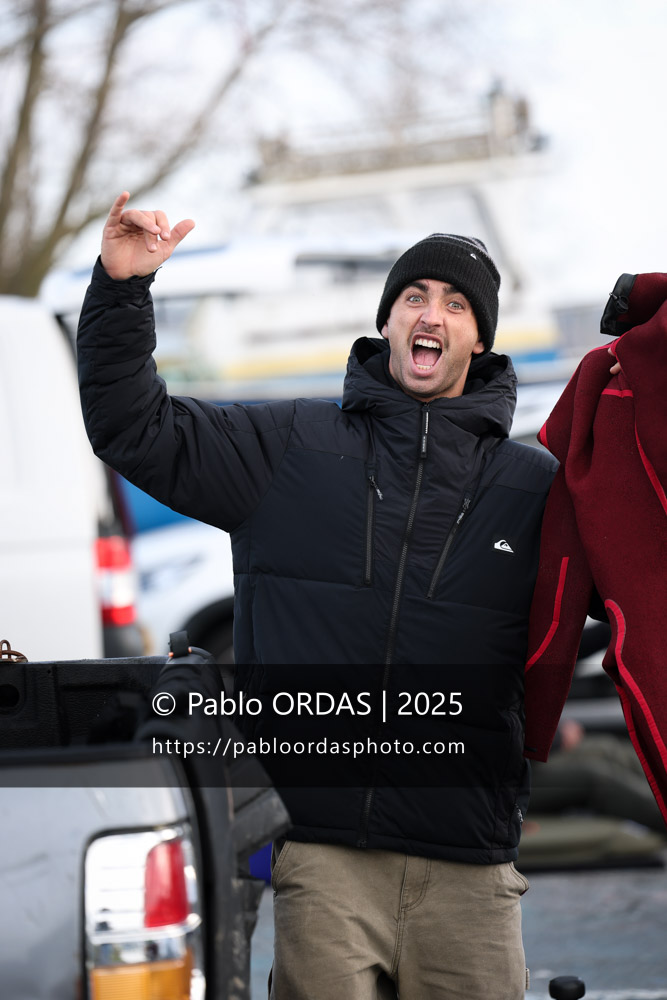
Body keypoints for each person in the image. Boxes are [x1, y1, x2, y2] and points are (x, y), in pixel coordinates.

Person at [76, 193, 609, 1000]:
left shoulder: (535, 489)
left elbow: (622, 604)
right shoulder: (289, 447)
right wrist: (122, 287)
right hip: (320, 857)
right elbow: (134, 428)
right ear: (388, 323)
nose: (431, 314)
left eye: (456, 304)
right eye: (413, 297)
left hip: (469, 865)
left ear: (478, 336)